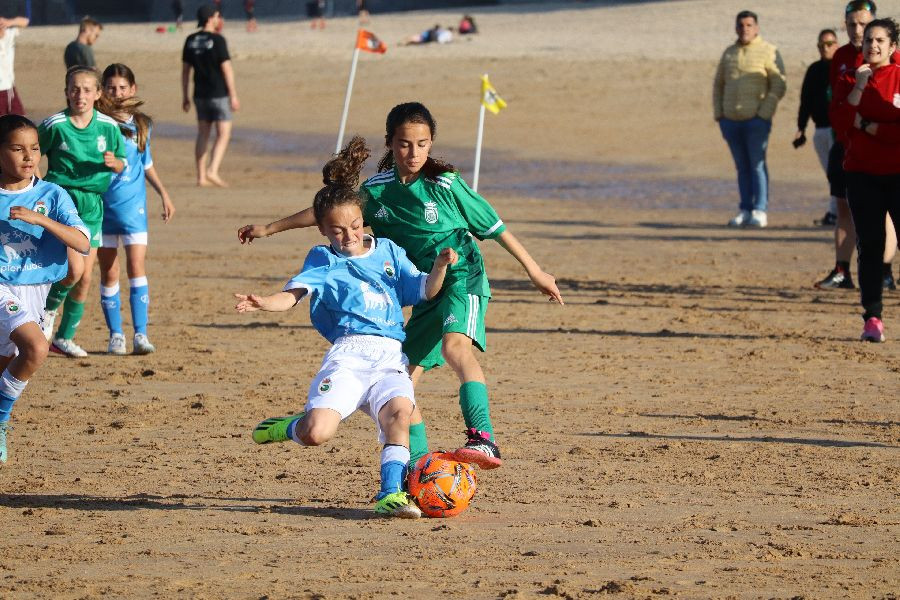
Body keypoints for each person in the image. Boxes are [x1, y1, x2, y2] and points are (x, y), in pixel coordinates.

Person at [238, 102, 564, 471]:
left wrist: (534, 271)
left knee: (455, 348)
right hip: (424, 287)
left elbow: (496, 228)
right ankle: (420, 466)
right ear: (390, 144)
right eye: (405, 144)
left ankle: (483, 438)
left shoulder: (447, 185)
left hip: (461, 277)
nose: (414, 153)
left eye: (423, 144)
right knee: (403, 381)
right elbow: (329, 211)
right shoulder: (377, 191)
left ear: (432, 143)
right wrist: (269, 228)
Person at [237, 136, 458, 518]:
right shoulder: (323, 258)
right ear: (322, 230)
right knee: (317, 434)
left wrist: (438, 267)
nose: (349, 235)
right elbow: (293, 294)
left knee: (399, 415)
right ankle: (289, 427)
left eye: (355, 225)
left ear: (362, 219)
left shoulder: (388, 251)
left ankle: (389, 494)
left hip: (390, 355)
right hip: (349, 355)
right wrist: (264, 302)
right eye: (338, 230)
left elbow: (423, 290)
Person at [0, 114, 91, 462]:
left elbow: (81, 242)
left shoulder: (52, 194)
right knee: (37, 348)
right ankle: (2, 422)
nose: (29, 157)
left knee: (10, 366)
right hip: (1, 289)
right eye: (17, 149)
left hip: (35, 291)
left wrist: (39, 218)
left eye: (35, 149)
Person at [38, 66, 126, 358]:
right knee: (70, 270)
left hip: (92, 204)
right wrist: (36, 187)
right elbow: (32, 153)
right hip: (61, 201)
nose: (80, 95)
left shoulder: (108, 127)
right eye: (75, 89)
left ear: (98, 94)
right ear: (66, 92)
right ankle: (45, 314)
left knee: (85, 276)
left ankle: (63, 337)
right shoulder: (55, 125)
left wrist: (115, 163)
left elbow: (122, 162)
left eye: (87, 89)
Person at [816, 0, 898, 291]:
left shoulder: (892, 58)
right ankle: (842, 270)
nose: (858, 30)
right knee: (842, 206)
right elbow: (835, 105)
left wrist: (869, 125)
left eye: (864, 24)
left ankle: (885, 271)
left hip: (885, 151)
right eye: (852, 24)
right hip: (846, 145)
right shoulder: (841, 56)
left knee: (885, 212)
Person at [98, 64, 175, 356]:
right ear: (102, 90)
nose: (116, 93)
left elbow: (146, 164)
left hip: (133, 209)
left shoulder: (142, 124)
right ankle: (116, 334)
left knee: (136, 267)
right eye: (110, 88)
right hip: (102, 208)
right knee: (109, 271)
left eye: (122, 88)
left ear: (133, 89)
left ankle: (141, 334)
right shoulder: (97, 123)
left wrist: (164, 193)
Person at [832, 17, 900, 342]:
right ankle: (873, 317)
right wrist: (859, 86)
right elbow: (841, 123)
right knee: (870, 245)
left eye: (880, 41)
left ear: (892, 47)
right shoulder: (849, 79)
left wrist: (871, 127)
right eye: (868, 40)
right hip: (861, 174)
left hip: (898, 174)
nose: (872, 45)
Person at [713, 10, 786, 228]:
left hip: (756, 120)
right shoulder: (729, 53)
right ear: (736, 28)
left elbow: (778, 83)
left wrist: (765, 112)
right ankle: (745, 208)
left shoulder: (768, 51)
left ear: (756, 28)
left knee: (757, 165)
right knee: (741, 167)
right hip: (730, 120)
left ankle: (760, 209)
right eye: (741, 25)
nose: (745, 29)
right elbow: (719, 85)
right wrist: (720, 114)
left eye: (749, 25)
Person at [182, 4, 239, 188]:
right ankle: (212, 171)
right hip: (218, 93)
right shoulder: (218, 39)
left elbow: (185, 72)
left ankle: (201, 177)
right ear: (210, 18)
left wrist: (185, 96)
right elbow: (227, 69)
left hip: (199, 94)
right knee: (223, 133)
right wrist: (233, 95)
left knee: (203, 133)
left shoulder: (190, 40)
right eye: (216, 16)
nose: (218, 19)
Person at [795, 29, 839, 227]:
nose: (825, 48)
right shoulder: (814, 69)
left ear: (836, 45)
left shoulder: (842, 67)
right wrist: (801, 127)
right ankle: (835, 211)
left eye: (829, 44)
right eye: (822, 45)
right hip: (820, 129)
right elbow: (805, 100)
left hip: (838, 129)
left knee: (838, 173)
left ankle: (836, 213)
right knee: (831, 173)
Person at [0, 16, 29, 117]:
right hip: (1, 88)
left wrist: (9, 22)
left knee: (19, 120)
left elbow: (25, 21)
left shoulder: (9, 33)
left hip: (10, 87)